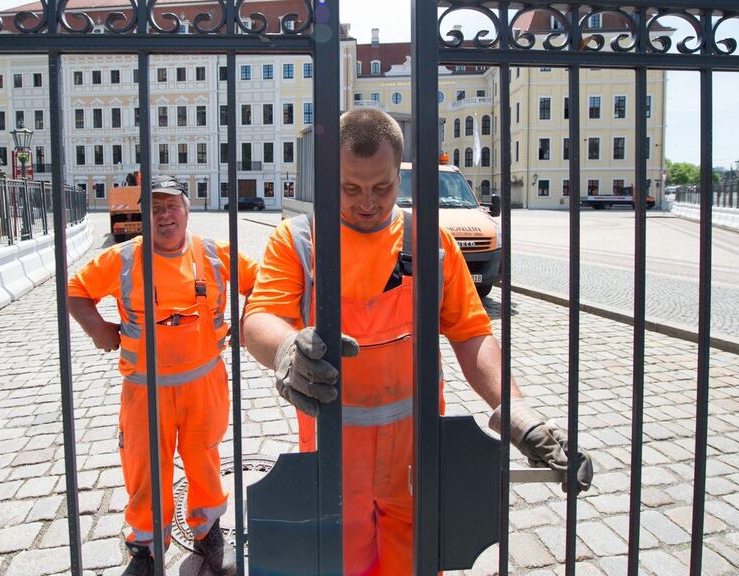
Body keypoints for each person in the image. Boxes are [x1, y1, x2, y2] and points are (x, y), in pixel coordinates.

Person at [243, 108, 593, 575]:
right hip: (332, 457)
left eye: (382, 188)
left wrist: (517, 411)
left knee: (419, 563)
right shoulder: (300, 240)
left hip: (417, 457)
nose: (367, 202)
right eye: (351, 189)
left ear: (399, 175)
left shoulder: (430, 241)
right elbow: (260, 318)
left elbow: (471, 334)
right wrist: (286, 348)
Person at [68, 176, 256, 576]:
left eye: (172, 205)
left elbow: (264, 280)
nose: (164, 215)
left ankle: (208, 530)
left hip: (203, 382)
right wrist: (98, 330)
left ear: (187, 210)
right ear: (143, 216)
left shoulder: (214, 253)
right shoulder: (123, 259)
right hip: (144, 388)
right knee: (144, 466)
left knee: (203, 458)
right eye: (154, 208)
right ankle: (147, 547)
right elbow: (74, 289)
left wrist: (248, 319)